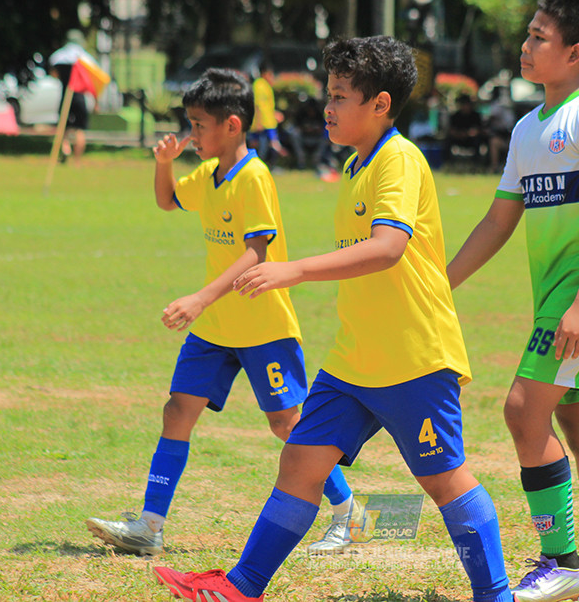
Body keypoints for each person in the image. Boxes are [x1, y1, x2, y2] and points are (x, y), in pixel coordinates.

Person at [151, 36, 513, 602]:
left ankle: (496, 596)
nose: (328, 106)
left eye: (341, 96)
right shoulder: (355, 163)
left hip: (412, 354)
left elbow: (388, 247)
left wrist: (293, 271)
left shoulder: (398, 159)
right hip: (354, 357)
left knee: (443, 479)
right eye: (329, 93)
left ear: (380, 105)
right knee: (299, 462)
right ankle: (241, 588)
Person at [85, 67, 358, 558]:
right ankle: (150, 526)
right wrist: (164, 163)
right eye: (189, 124)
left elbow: (258, 252)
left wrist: (200, 297)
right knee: (177, 411)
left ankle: (348, 514)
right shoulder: (207, 173)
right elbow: (168, 200)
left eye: (199, 125)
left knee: (288, 425)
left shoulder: (252, 177)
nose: (192, 135)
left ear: (232, 125)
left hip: (262, 325)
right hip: (215, 329)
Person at [447, 0, 579, 602]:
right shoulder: (526, 129)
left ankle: (561, 561)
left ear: (574, 53)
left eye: (541, 36)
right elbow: (497, 221)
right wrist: (440, 281)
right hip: (564, 298)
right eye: (529, 33)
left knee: (522, 409)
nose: (527, 44)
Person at [49, 30, 92, 166]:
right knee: (80, 129)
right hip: (79, 97)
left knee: (62, 126)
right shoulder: (84, 57)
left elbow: (53, 73)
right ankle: (77, 160)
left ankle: (65, 147)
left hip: (65, 93)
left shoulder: (58, 56)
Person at [249, 60, 287, 166]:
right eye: (271, 74)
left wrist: (274, 113)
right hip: (263, 122)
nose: (272, 77)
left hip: (268, 121)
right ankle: (265, 164)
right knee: (261, 145)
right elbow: (258, 105)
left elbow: (266, 105)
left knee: (265, 144)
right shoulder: (259, 85)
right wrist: (259, 122)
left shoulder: (265, 85)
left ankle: (270, 164)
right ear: (265, 73)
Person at [447, 92, 486, 163]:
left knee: (479, 140)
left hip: (471, 139)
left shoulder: (475, 116)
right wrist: (460, 134)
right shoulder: (455, 116)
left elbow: (479, 130)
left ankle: (477, 162)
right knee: (447, 140)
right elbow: (451, 130)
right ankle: (448, 162)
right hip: (458, 138)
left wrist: (470, 133)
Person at [486, 86, 516, 173]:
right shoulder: (507, 103)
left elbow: (492, 118)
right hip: (501, 134)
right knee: (494, 142)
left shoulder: (499, 104)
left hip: (508, 135)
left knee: (494, 142)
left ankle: (509, 168)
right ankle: (494, 167)